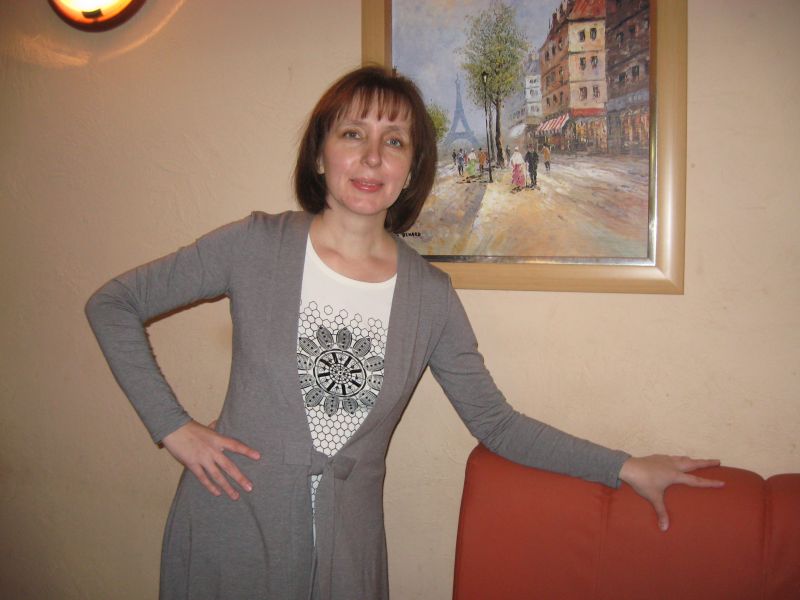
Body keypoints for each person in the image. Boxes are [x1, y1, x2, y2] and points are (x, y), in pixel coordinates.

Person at [86, 66, 722, 600]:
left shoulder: (430, 297)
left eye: (393, 142)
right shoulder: (254, 245)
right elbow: (113, 304)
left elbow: (496, 424)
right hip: (230, 532)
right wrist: (173, 427)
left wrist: (623, 465)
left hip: (349, 558)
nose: (371, 157)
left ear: (412, 167)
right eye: (352, 134)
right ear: (320, 154)